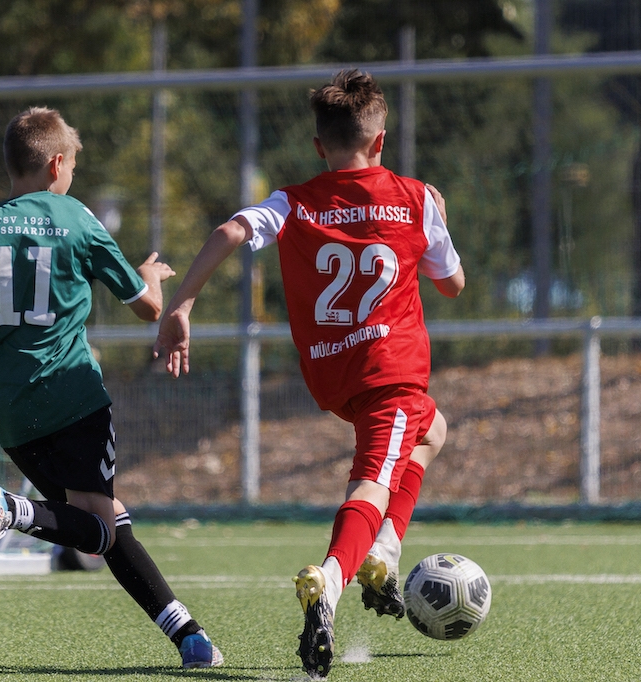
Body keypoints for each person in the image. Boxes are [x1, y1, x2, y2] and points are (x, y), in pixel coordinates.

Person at [0, 107, 223, 669]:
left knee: (102, 521)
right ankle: (11, 509)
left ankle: (190, 637)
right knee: (99, 528)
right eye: (72, 169)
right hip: (73, 396)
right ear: (57, 164)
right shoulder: (76, 217)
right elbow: (147, 308)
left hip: (11, 413)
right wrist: (150, 277)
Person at [154, 69, 464, 677]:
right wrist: (439, 218)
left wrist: (182, 306)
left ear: (320, 145)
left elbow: (228, 231)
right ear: (381, 140)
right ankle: (332, 579)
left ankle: (384, 553)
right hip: (390, 372)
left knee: (433, 430)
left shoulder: (292, 202)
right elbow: (452, 284)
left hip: (332, 375)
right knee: (371, 485)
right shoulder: (415, 198)